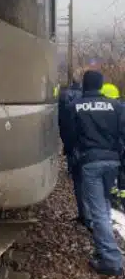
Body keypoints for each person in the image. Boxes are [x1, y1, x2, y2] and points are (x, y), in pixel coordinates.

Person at [69, 69, 124, 276]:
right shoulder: (116, 106)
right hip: (113, 161)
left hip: (91, 162)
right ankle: (106, 247)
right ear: (101, 85)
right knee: (105, 205)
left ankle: (111, 260)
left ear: (84, 84)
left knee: (98, 210)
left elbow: (71, 136)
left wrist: (76, 156)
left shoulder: (76, 107)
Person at [58, 78, 85, 226]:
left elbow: (66, 124)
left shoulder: (66, 96)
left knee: (79, 181)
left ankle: (85, 216)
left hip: (75, 142)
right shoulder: (82, 95)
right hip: (100, 151)